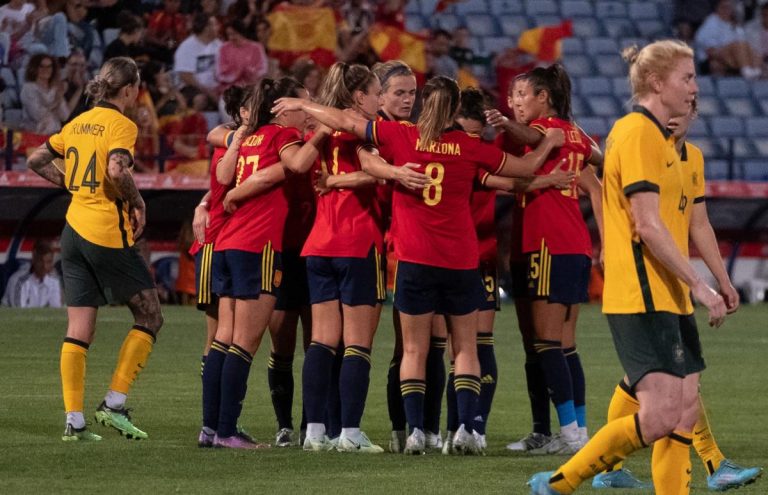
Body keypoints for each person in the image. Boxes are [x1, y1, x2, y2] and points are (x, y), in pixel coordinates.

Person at [272, 75, 565, 455]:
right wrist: (549, 148)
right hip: (460, 261)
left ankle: (413, 432)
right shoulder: (468, 145)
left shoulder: (401, 136)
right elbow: (524, 169)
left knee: (411, 349)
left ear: (426, 103)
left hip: (413, 259)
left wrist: (303, 106)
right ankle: (462, 430)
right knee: (465, 349)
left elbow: (346, 123)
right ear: (457, 108)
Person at [528, 40, 728, 495]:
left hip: (665, 292)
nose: (694, 87)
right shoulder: (637, 133)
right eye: (687, 77)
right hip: (642, 293)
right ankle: (562, 482)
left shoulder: (658, 138)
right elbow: (646, 224)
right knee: (659, 416)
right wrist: (701, 284)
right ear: (657, 82)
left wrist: (710, 282)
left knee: (683, 410)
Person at [592, 100, 763, 492]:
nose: (673, 114)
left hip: (673, 283)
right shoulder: (642, 148)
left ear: (695, 114)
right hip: (644, 283)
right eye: (669, 105)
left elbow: (698, 224)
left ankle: (609, 465)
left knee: (660, 380)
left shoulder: (694, 158)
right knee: (675, 380)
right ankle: (711, 463)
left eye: (684, 107)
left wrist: (724, 279)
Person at [25, 56, 164, 442]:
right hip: (105, 232)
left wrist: (70, 185)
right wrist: (137, 203)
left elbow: (36, 158)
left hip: (72, 230)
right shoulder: (121, 124)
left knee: (79, 328)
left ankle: (75, 421)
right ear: (129, 90)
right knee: (150, 314)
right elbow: (118, 171)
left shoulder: (77, 122)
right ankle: (114, 404)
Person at [299, 62, 426, 453]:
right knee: (357, 345)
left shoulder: (320, 131)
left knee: (321, 343)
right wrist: (396, 172)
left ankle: (315, 432)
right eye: (376, 93)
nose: (380, 101)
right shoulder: (361, 130)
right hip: (358, 244)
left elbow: (301, 165)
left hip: (318, 244)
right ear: (360, 96)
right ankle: (351, 433)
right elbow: (371, 166)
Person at [199, 77, 327, 449]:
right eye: (300, 106)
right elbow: (300, 164)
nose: (306, 113)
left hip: (228, 242)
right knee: (244, 343)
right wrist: (321, 133)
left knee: (222, 340)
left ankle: (210, 428)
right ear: (281, 108)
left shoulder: (247, 137)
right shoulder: (277, 136)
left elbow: (225, 176)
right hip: (259, 246)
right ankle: (227, 431)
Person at [514, 64, 605, 456]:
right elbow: (599, 178)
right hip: (577, 246)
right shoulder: (576, 136)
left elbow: (511, 179)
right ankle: (577, 430)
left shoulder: (539, 136)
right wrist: (607, 243)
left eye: (521, 95)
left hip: (547, 245)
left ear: (543, 97)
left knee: (546, 343)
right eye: (512, 96)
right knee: (565, 344)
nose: (514, 103)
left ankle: (568, 434)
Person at [370, 60, 447, 453]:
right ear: (379, 95)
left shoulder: (414, 134)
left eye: (411, 93)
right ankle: (403, 428)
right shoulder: (379, 134)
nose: (406, 99)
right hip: (393, 251)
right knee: (408, 346)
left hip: (419, 249)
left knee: (433, 343)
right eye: (398, 92)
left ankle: (428, 429)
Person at [693, 0, 763, 79]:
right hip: (710, 59)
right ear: (717, 8)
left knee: (755, 51)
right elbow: (710, 51)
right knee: (738, 45)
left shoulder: (734, 25)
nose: (727, 10)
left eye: (729, 8)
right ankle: (746, 71)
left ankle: (756, 73)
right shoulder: (711, 22)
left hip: (733, 56)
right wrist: (730, 60)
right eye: (724, 7)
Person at [174, 13, 222, 109]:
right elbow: (185, 75)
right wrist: (207, 91)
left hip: (217, 87)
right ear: (206, 28)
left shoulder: (219, 45)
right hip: (193, 86)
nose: (218, 27)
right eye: (215, 24)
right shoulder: (187, 46)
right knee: (200, 99)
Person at [1, 240, 62, 308]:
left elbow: (56, 309)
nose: (44, 266)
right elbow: (18, 314)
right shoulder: (18, 280)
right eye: (41, 261)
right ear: (34, 259)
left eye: (48, 262)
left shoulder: (54, 279)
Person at [20, 54, 70, 135]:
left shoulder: (55, 89)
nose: (46, 69)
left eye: (49, 66)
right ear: (34, 68)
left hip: (55, 136)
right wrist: (56, 102)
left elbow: (65, 116)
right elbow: (38, 115)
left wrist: (59, 96)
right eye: (42, 66)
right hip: (35, 135)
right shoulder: (28, 88)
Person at [217, 19, 268, 89]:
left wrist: (251, 74)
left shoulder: (257, 47)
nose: (231, 37)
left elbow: (263, 70)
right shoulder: (223, 48)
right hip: (230, 89)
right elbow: (219, 74)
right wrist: (235, 76)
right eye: (229, 34)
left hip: (252, 86)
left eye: (234, 34)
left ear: (241, 32)